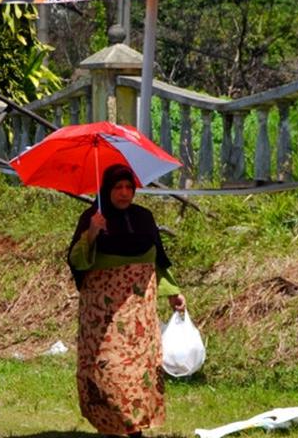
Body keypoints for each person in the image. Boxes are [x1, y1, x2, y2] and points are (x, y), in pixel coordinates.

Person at [66, 163, 186, 438]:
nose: (123, 193)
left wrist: (173, 292)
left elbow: (156, 259)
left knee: (138, 369)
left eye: (128, 187)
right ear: (106, 190)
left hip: (138, 315)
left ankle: (133, 426)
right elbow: (77, 260)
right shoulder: (92, 218)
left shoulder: (144, 218)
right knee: (108, 368)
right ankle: (113, 424)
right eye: (117, 187)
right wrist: (92, 233)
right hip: (103, 316)